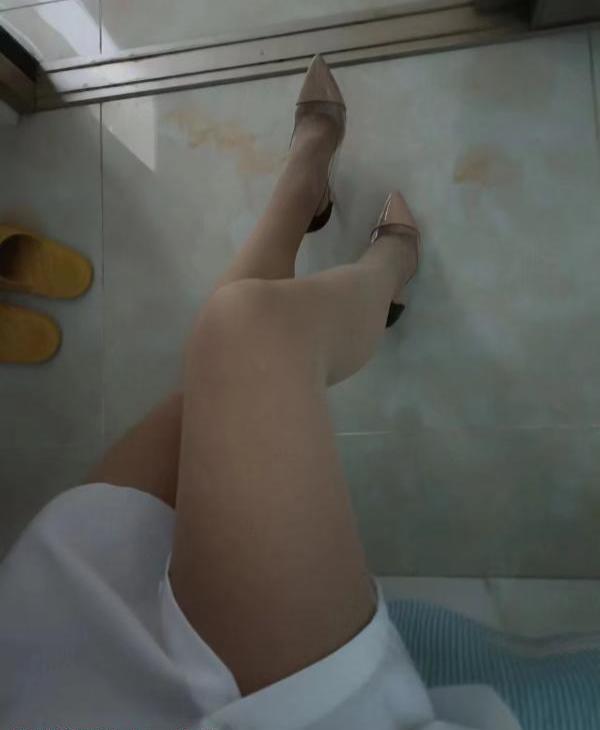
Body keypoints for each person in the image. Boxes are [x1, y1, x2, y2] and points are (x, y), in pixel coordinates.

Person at [0, 55, 527, 730]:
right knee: (246, 333)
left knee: (214, 386)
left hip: (50, 648)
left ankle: (308, 192)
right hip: (230, 714)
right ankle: (383, 258)